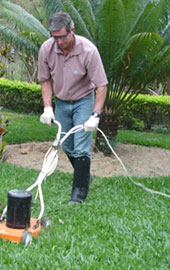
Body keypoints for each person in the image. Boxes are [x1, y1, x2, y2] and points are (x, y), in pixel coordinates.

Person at [37, 12, 108, 205]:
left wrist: (95, 115)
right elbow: (45, 79)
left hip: (83, 100)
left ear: (72, 31)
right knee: (67, 145)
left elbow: (101, 85)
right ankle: (84, 176)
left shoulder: (88, 50)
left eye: (62, 37)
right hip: (61, 101)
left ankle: (78, 195)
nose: (59, 42)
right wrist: (47, 107)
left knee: (81, 147)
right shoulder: (46, 49)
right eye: (54, 37)